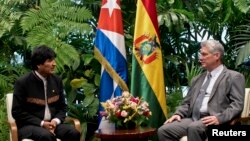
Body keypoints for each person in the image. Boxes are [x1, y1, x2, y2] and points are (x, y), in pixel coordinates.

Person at [157, 39, 245, 141]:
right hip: (194, 118)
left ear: (216, 56)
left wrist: (219, 118)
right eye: (200, 54)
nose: (200, 58)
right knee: (164, 130)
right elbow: (187, 102)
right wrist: (178, 113)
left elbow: (237, 105)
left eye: (204, 54)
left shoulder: (233, 77)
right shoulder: (197, 79)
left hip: (215, 120)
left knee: (194, 128)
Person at [12, 45, 80, 141]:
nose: (54, 64)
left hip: (53, 124)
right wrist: (42, 123)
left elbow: (63, 107)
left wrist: (55, 121)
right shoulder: (22, 82)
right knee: (46, 136)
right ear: (38, 64)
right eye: (49, 61)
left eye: (53, 60)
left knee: (73, 132)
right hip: (29, 126)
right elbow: (17, 112)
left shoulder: (57, 80)